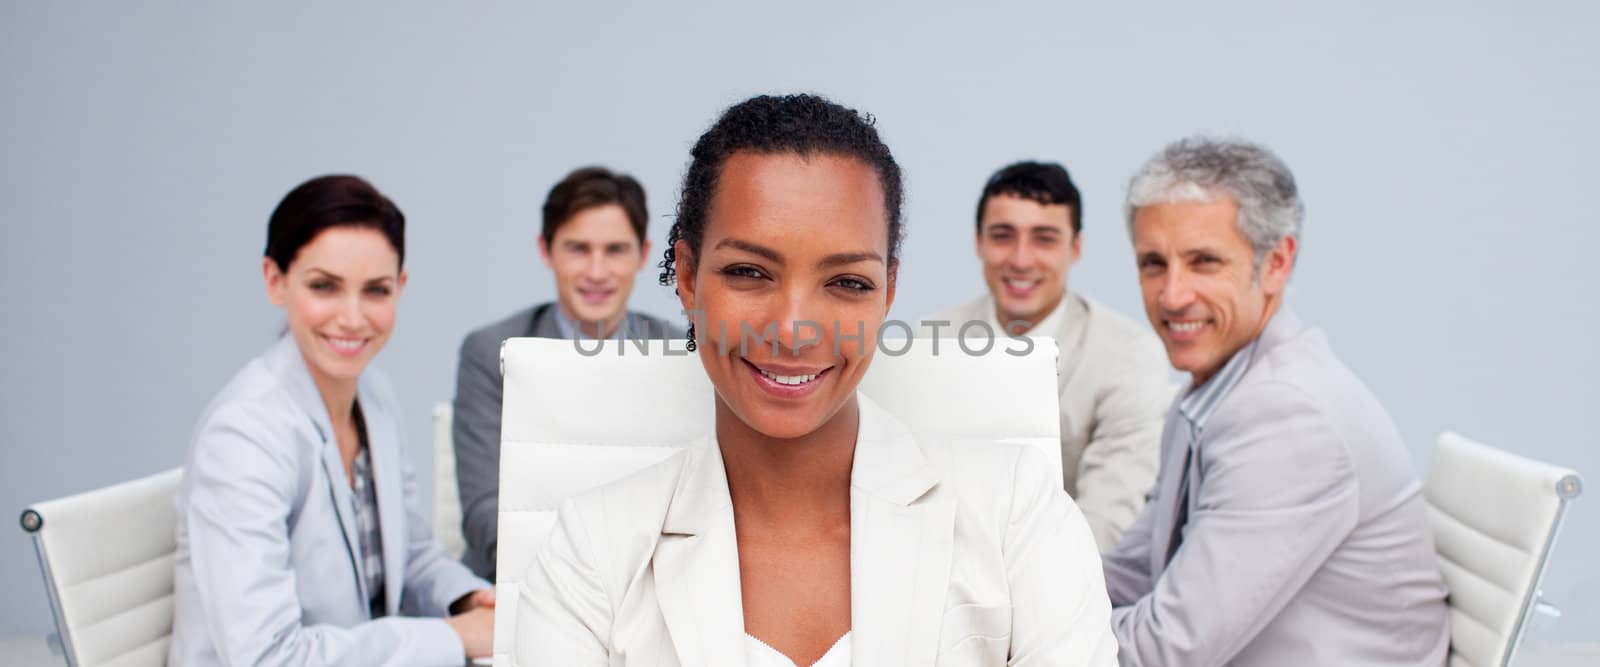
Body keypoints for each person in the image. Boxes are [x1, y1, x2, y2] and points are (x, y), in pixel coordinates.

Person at [513, 94, 1116, 667]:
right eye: (749, 272)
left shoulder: (1016, 515)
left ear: (888, 293)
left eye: (847, 282)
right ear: (690, 278)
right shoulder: (592, 549)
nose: (794, 329)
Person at [1101, 137, 1449, 666]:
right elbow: (1132, 572)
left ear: (1277, 263)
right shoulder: (1211, 394)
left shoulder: (1288, 417)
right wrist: (998, 605)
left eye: (1204, 262)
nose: (1171, 296)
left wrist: (1007, 647)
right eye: (1153, 264)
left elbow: (1164, 649)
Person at [171, 175, 495, 666]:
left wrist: (472, 601)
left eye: (376, 291)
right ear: (275, 280)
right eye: (324, 286)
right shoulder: (243, 434)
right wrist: (455, 637)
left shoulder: (375, 398)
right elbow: (268, 657)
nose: (351, 317)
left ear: (400, 289)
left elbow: (409, 557)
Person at [927, 161, 1173, 551]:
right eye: (1003, 235)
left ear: (1075, 248)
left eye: (1044, 238)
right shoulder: (929, 342)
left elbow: (1109, 519)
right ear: (978, 242)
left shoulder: (1129, 355)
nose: (1021, 259)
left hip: (1066, 583)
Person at [453, 166, 681, 579]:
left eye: (615, 250)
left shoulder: (681, 351)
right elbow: (485, 513)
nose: (597, 271)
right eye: (578, 249)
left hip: (645, 584)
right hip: (521, 581)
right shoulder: (491, 352)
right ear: (546, 250)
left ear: (644, 255)